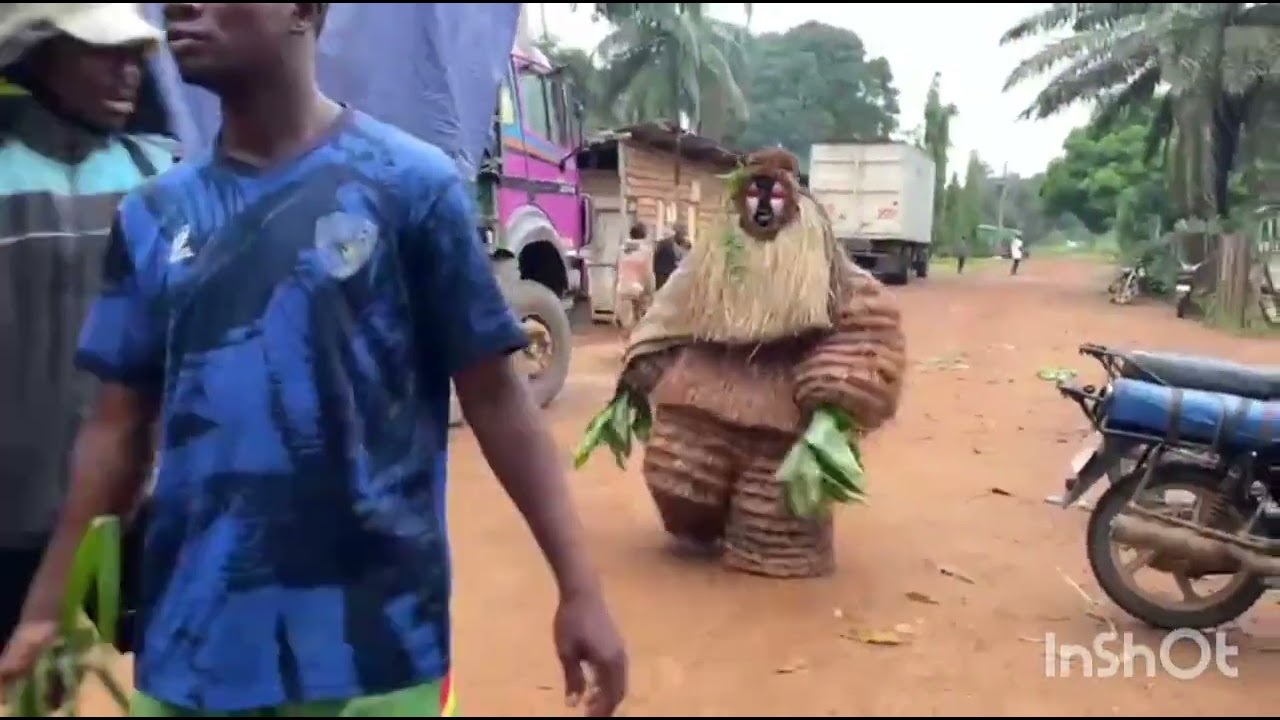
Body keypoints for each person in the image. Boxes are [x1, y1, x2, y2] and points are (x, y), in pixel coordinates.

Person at [0, 3, 627, 718]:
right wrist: (45, 608)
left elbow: (497, 398)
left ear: (304, 9)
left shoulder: (410, 188)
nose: (179, 6)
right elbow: (116, 428)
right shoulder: (154, 214)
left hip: (374, 655)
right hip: (192, 655)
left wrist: (579, 587)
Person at [0, 3, 175, 652]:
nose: (127, 72)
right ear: (37, 55)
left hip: (137, 508)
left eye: (134, 55)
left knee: (182, 676)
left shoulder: (161, 174)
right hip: (9, 518)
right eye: (102, 53)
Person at [652, 222, 689, 292]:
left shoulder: (686, 245)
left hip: (672, 273)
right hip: (664, 273)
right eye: (683, 233)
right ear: (677, 232)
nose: (684, 236)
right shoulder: (666, 243)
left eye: (685, 234)